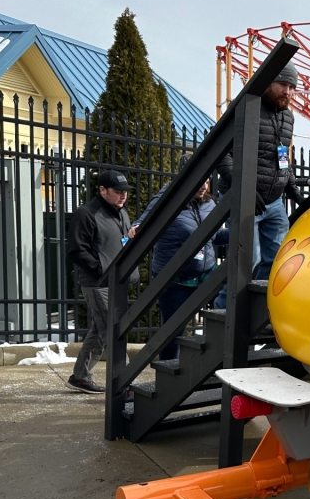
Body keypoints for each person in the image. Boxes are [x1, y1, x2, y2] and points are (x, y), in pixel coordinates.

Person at [214, 61, 300, 305]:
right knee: (245, 260)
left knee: (276, 259)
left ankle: (252, 308)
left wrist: (291, 185)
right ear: (268, 83)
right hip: (243, 198)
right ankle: (223, 310)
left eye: (292, 87)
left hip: (273, 201)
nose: (288, 92)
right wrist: (245, 188)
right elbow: (222, 153)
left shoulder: (288, 118)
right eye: (283, 84)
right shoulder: (244, 108)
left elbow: (282, 153)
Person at [130, 153, 228, 361]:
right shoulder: (168, 197)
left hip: (205, 274)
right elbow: (144, 219)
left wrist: (238, 231)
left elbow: (213, 237)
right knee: (173, 332)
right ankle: (167, 373)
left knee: (228, 304)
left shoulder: (209, 204)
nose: (203, 185)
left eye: (207, 180)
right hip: (174, 279)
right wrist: (136, 227)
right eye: (198, 180)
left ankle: (217, 361)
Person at [65, 170, 140, 394]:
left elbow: (120, 241)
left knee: (100, 330)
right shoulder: (86, 214)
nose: (123, 196)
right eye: (118, 192)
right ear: (102, 190)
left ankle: (80, 377)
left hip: (117, 281)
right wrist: (102, 269)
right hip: (98, 283)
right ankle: (124, 382)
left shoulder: (121, 213)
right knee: (114, 330)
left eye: (125, 192)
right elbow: (77, 251)